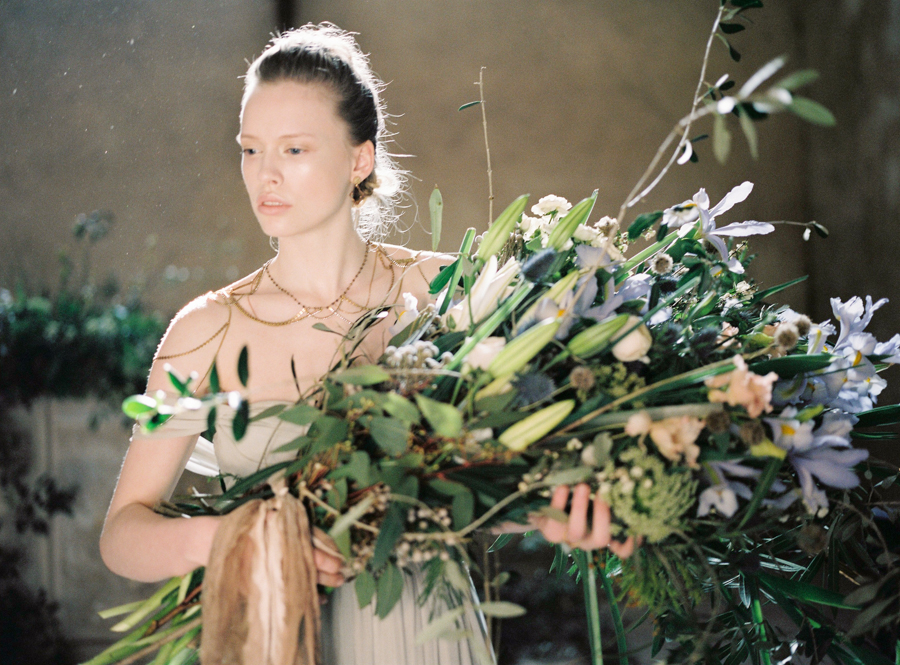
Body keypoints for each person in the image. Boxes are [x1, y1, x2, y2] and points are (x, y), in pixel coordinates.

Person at [100, 23, 630, 665]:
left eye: (294, 150)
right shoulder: (203, 332)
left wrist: (559, 512)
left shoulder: (451, 291)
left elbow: (490, 483)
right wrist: (234, 539)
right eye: (249, 149)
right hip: (275, 636)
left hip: (425, 634)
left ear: (360, 158)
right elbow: (124, 533)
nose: (264, 174)